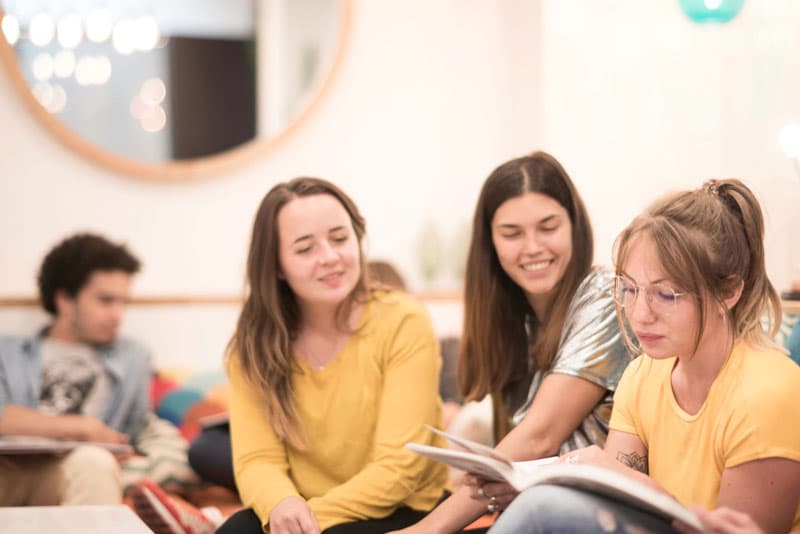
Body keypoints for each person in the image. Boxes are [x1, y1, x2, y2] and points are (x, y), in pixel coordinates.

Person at [490, 179, 800, 533]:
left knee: (541, 510)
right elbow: (622, 505)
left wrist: (593, 467)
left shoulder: (769, 391)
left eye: (666, 295)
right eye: (630, 289)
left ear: (728, 291)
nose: (639, 314)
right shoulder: (642, 375)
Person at [393, 152, 633, 534]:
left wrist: (428, 529)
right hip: (539, 509)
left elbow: (539, 437)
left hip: (602, 513)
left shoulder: (606, 297)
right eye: (512, 234)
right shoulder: (513, 318)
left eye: (548, 227)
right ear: (490, 241)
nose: (532, 247)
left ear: (574, 224)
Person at [214, 177, 448, 534]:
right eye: (305, 249)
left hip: (402, 505)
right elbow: (257, 459)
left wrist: (307, 519)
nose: (329, 257)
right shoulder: (253, 346)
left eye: (340, 239)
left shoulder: (404, 320)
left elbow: (399, 467)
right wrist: (281, 504)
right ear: (276, 266)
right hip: (304, 504)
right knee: (234, 532)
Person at [0, 233, 198, 508]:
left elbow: (135, 432)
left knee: (94, 463)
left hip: (72, 470)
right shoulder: (8, 353)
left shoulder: (133, 357)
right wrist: (83, 428)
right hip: (7, 468)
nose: (118, 315)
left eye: (123, 302)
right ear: (65, 300)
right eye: (106, 301)